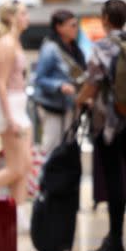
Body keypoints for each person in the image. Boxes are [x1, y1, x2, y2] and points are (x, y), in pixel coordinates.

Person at [76, 0, 126, 251]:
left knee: (114, 180)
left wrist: (78, 100)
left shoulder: (102, 47)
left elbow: (92, 86)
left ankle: (115, 240)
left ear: (105, 18)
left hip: (109, 124)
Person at [0, 0, 33, 231]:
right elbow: (0, 82)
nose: (26, 17)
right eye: (23, 13)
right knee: (16, 168)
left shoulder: (15, 42)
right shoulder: (6, 43)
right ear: (11, 17)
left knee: (25, 166)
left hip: (18, 104)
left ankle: (18, 216)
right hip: (9, 106)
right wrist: (11, 119)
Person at [33, 10, 86, 154]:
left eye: (76, 25)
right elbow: (39, 78)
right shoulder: (50, 49)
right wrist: (59, 85)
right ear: (59, 27)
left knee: (66, 150)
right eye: (72, 25)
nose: (76, 29)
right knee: (51, 147)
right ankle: (45, 176)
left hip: (70, 107)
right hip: (53, 107)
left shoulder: (75, 49)